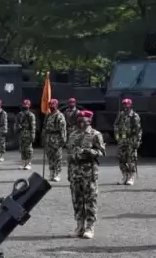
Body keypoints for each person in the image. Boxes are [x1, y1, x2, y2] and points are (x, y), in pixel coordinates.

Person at [66, 110, 106, 238]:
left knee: (90, 199)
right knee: (77, 200)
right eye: (79, 120)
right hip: (75, 172)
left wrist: (89, 152)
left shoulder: (95, 135)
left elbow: (102, 152)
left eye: (84, 120)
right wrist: (69, 173)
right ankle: (79, 226)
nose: (81, 123)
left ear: (89, 121)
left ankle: (90, 227)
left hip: (89, 172)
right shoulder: (73, 134)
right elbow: (70, 154)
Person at [113, 98, 142, 185]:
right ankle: (125, 175)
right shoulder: (121, 115)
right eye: (124, 104)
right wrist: (117, 137)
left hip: (131, 140)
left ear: (130, 105)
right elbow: (115, 125)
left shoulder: (134, 116)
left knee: (131, 159)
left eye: (127, 104)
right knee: (121, 159)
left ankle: (131, 177)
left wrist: (137, 142)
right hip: (122, 140)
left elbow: (138, 130)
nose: (125, 106)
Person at [43, 98, 66, 181]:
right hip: (48, 139)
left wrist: (63, 141)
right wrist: (43, 138)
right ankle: (52, 173)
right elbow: (45, 127)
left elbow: (62, 130)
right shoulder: (48, 115)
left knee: (57, 158)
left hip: (56, 139)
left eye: (53, 105)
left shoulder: (60, 115)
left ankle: (58, 174)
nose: (51, 106)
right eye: (50, 105)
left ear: (56, 105)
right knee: (50, 157)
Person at [15, 99, 36, 170]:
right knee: (22, 149)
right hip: (21, 134)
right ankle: (23, 163)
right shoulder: (19, 115)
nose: (25, 107)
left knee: (28, 149)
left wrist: (32, 135)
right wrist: (17, 129)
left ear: (29, 106)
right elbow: (16, 123)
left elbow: (33, 127)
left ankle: (28, 163)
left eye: (26, 106)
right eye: (24, 105)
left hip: (28, 133)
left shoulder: (31, 115)